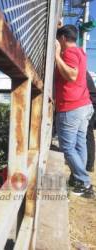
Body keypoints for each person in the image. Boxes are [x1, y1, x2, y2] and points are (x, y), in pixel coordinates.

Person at [55, 25, 94, 198]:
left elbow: (71, 74)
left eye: (58, 40)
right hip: (84, 105)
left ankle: (84, 182)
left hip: (71, 107)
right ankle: (79, 179)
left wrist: (56, 55)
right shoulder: (80, 52)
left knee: (67, 147)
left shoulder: (68, 53)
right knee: (80, 145)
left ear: (63, 38)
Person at [86, 72, 96, 172]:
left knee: (88, 133)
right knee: (87, 134)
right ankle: (89, 163)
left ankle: (89, 164)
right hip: (91, 103)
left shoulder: (82, 72)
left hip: (91, 104)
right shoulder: (85, 72)